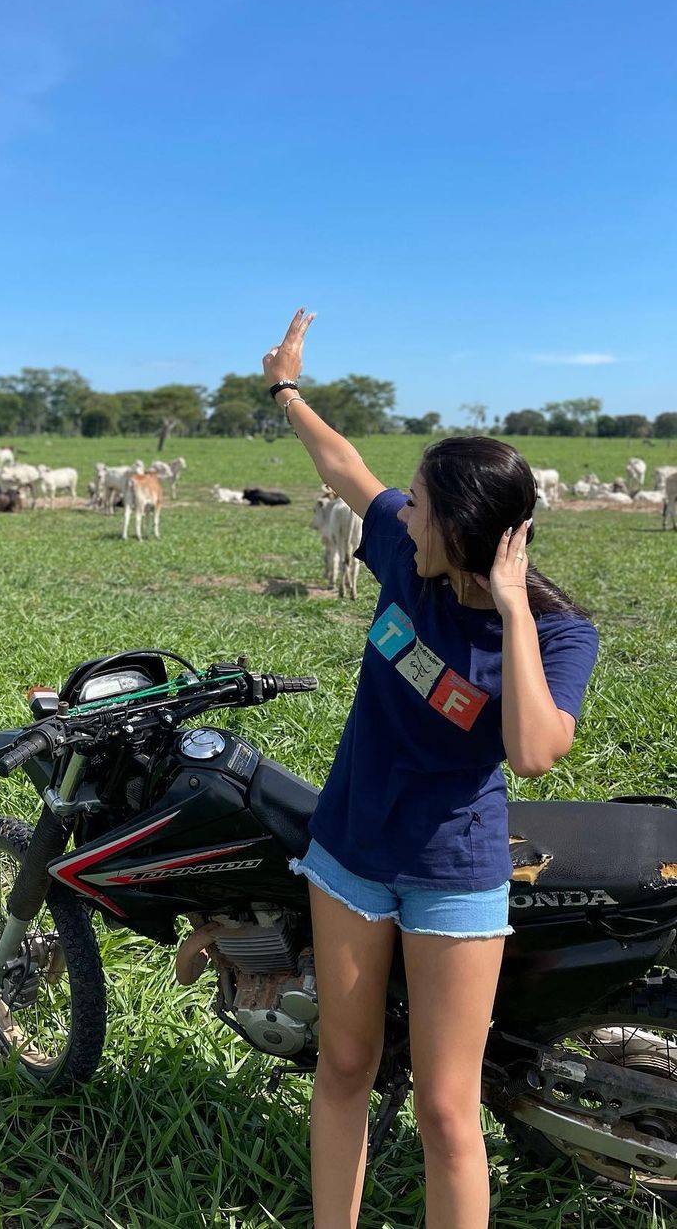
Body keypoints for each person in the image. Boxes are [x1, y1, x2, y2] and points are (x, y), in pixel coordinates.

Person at [262, 309, 599, 1229]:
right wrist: (286, 388)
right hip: (351, 852)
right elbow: (344, 468)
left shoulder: (560, 634)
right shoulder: (403, 562)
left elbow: (534, 749)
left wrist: (513, 611)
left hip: (454, 873)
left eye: (418, 505)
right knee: (343, 1066)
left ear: (463, 530)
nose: (398, 511)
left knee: (447, 1110)